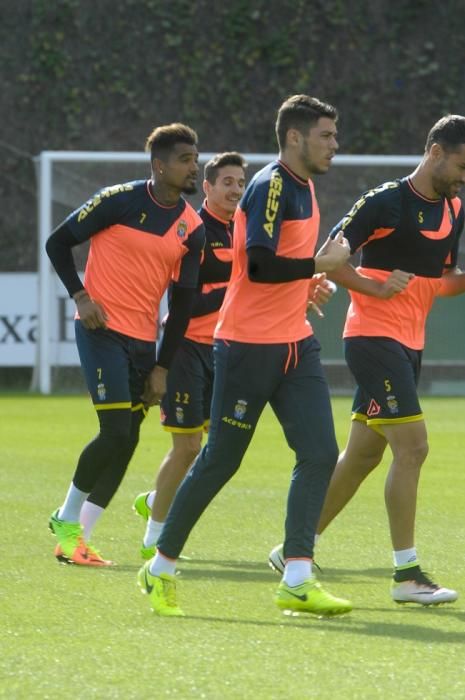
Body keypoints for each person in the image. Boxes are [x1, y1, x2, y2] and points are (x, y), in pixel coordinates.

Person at [137, 94, 353, 618]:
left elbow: (284, 268)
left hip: (295, 344)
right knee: (220, 461)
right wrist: (319, 263)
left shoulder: (305, 185)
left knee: (321, 453)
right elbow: (257, 265)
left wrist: (308, 283)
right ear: (296, 137)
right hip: (247, 346)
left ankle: (297, 576)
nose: (334, 144)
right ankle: (159, 566)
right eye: (326, 135)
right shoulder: (271, 185)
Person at [269, 114, 465, 606]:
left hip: (407, 345)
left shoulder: (455, 208)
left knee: (362, 455)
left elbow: (440, 281)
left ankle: (296, 549)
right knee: (414, 448)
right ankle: (406, 575)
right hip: (372, 339)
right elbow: (332, 255)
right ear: (436, 152)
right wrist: (370, 285)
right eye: (461, 164)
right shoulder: (385, 201)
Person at [46, 123, 205, 566]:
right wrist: (81, 296)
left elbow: (184, 304)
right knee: (115, 430)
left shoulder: (192, 230)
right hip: (100, 331)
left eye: (195, 158)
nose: (195, 167)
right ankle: (66, 519)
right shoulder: (118, 199)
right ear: (159, 165)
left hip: (143, 344)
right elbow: (57, 242)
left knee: (128, 438)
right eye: (185, 159)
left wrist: (162, 367)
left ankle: (73, 538)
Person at [133, 151, 248, 559]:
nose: (236, 189)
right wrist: (235, 292)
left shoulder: (247, 230)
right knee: (187, 448)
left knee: (217, 450)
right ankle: (154, 539)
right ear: (208, 186)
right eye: (228, 182)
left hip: (225, 349)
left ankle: (157, 498)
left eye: (240, 182)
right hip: (186, 350)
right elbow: (188, 304)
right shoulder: (193, 230)